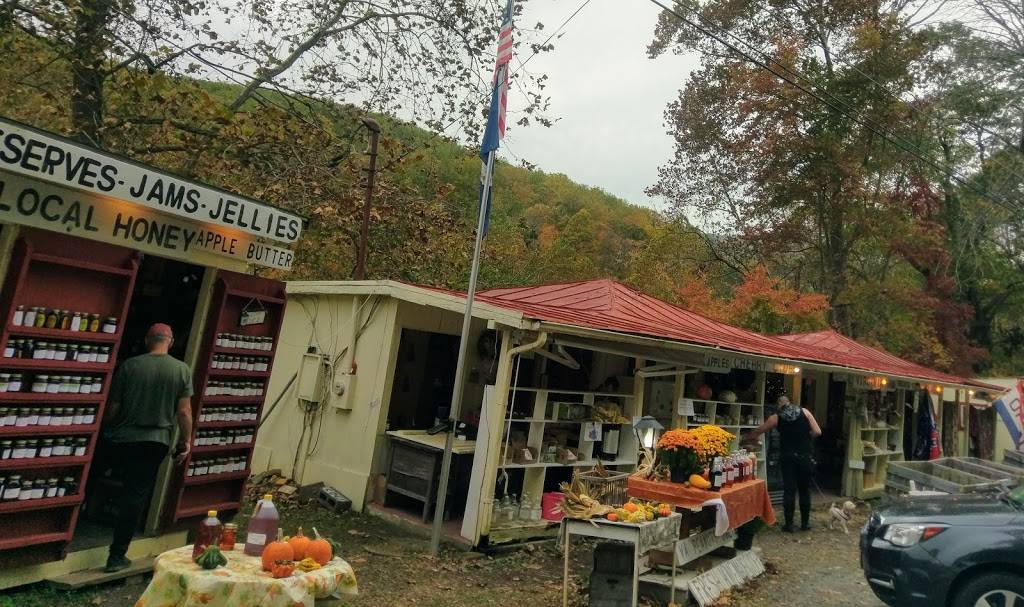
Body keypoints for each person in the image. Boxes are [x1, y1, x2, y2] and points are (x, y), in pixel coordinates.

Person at [101, 323, 193, 572]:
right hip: (156, 441)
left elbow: (113, 409)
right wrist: (187, 441)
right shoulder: (181, 370)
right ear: (170, 341)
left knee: (115, 486)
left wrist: (102, 429)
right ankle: (116, 555)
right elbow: (184, 412)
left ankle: (102, 526)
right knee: (135, 495)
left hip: (123, 439)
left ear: (146, 340)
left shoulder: (130, 366)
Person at [743, 395, 822, 532]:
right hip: (805, 456)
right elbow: (817, 431)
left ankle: (789, 524)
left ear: (779, 404)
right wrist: (805, 438)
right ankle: (805, 523)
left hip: (787, 457)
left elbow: (759, 430)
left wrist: (746, 438)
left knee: (789, 490)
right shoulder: (805, 412)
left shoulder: (776, 417)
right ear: (790, 403)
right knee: (804, 490)